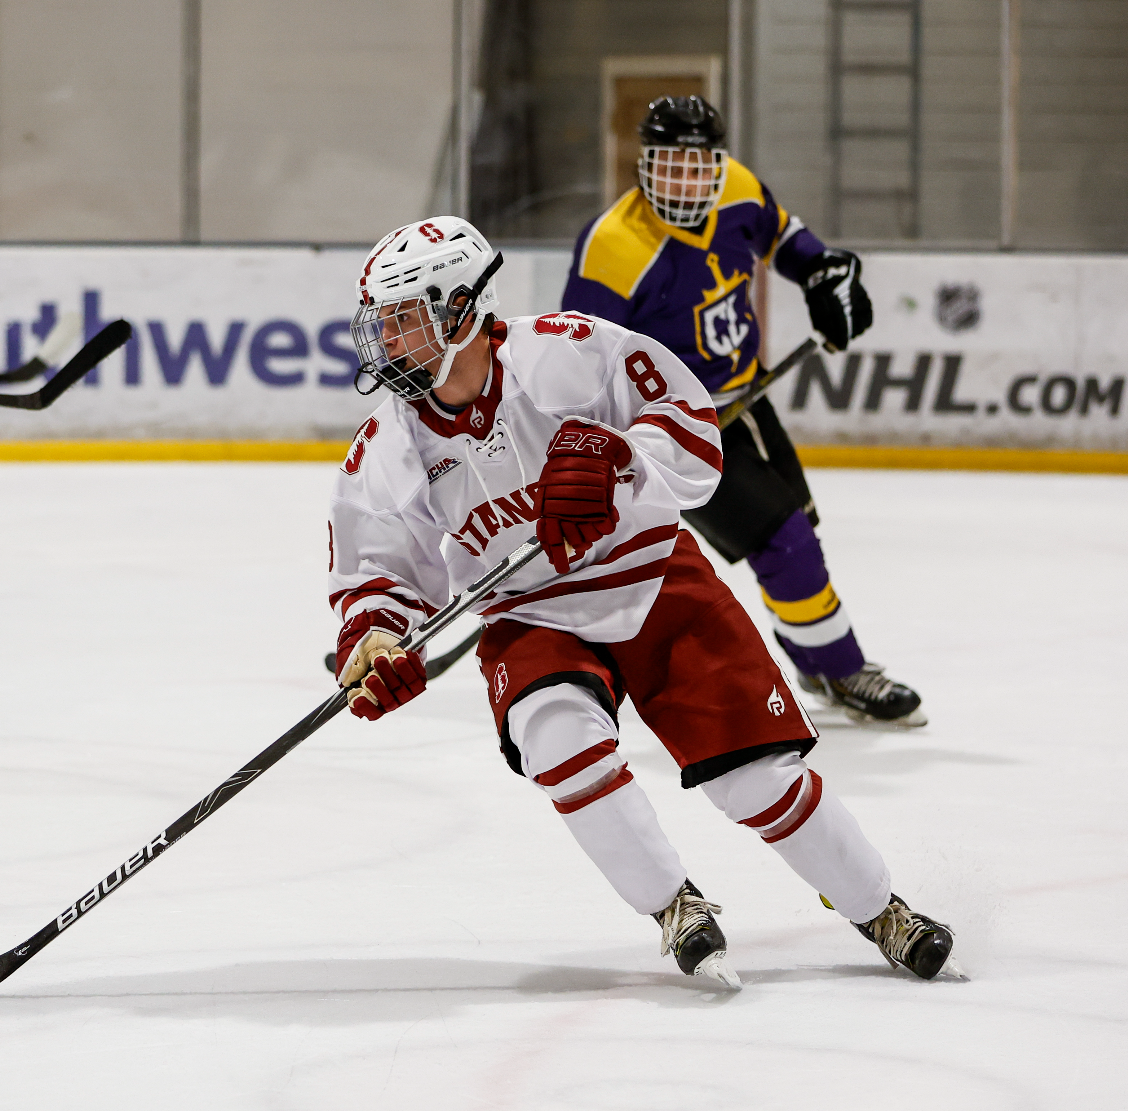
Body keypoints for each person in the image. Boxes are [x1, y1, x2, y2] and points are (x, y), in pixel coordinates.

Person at [334, 215, 958, 985]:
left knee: (757, 781)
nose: (387, 340)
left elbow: (695, 431)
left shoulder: (569, 352)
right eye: (382, 321)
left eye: (405, 318)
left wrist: (618, 453)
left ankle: (880, 907)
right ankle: (674, 906)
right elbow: (376, 573)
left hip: (653, 574)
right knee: (556, 737)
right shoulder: (386, 447)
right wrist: (373, 641)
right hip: (531, 614)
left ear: (462, 308)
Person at [560, 96, 924, 727]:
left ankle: (818, 660)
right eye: (668, 165)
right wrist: (605, 448)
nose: (684, 180)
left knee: (799, 533)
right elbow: (578, 363)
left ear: (719, 163)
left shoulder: (739, 190)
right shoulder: (614, 247)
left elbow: (787, 238)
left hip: (747, 401)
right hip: (677, 431)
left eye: (697, 164)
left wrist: (824, 277)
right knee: (785, 543)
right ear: (644, 166)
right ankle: (839, 671)